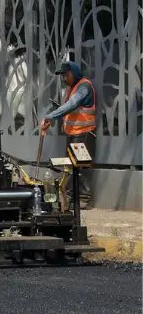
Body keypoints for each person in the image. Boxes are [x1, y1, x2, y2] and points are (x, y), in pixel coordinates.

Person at [40, 60, 97, 209]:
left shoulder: (84, 86)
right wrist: (53, 118)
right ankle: (73, 199)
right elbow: (67, 110)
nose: (64, 78)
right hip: (73, 133)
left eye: (66, 75)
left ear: (75, 73)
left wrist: (51, 116)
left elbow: (72, 105)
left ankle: (83, 199)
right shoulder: (71, 89)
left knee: (82, 167)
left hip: (84, 133)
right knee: (72, 167)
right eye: (62, 76)